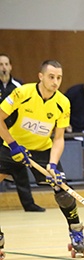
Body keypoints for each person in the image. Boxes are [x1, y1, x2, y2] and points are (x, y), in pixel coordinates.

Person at [0, 60, 84, 257]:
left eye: (59, 78)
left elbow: (58, 137)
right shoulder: (22, 93)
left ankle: (76, 233)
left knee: (62, 190)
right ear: (41, 76)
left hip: (42, 150)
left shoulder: (63, 102)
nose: (55, 82)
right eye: (51, 77)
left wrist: (53, 165)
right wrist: (13, 145)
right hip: (12, 146)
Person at [0, 53, 45, 212]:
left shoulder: (19, 86)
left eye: (6, 64)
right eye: (0, 64)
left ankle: (29, 204)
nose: (3, 67)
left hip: (12, 135)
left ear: (10, 66)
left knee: (20, 169)